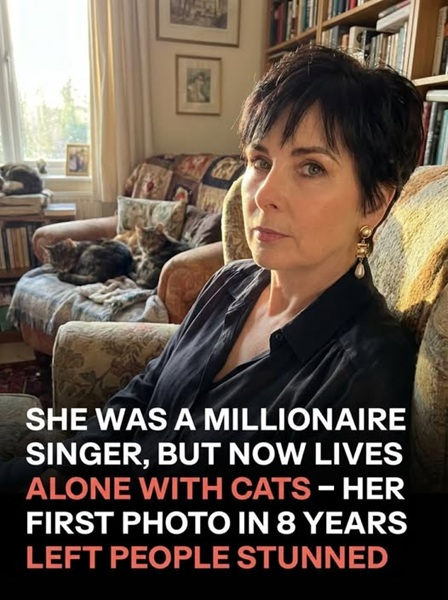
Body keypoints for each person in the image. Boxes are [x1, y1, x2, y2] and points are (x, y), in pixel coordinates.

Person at [0, 44, 424, 493]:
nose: (263, 195)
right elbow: (145, 393)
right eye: (260, 161)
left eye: (312, 168)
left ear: (373, 203)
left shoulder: (367, 375)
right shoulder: (230, 282)